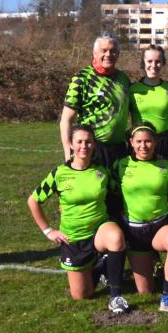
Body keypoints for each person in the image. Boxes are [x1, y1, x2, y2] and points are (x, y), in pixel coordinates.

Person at [27, 124, 130, 314]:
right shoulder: (59, 174)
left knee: (115, 237)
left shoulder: (102, 172)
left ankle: (115, 296)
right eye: (80, 142)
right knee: (82, 295)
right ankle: (101, 265)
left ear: (94, 145)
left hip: (99, 231)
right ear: (72, 145)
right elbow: (33, 200)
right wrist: (48, 230)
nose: (84, 146)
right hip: (73, 237)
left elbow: (122, 190)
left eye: (88, 142)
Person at [110, 122, 168, 312]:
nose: (144, 146)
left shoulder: (166, 165)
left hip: (159, 225)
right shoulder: (120, 165)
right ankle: (153, 264)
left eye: (148, 141)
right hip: (134, 230)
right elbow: (109, 190)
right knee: (145, 291)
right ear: (131, 142)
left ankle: (167, 296)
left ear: (155, 142)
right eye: (139, 141)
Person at [60, 35, 131, 168]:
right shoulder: (82, 79)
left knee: (118, 188)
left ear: (118, 54)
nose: (108, 54)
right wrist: (68, 153)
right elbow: (66, 120)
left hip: (119, 150)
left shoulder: (123, 79)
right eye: (104, 50)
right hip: (92, 149)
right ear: (95, 53)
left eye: (113, 51)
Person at [129, 45, 168, 163]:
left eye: (158, 61)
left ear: (163, 63)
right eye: (149, 61)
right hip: (140, 142)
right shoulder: (132, 89)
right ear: (143, 63)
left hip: (165, 143)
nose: (154, 65)